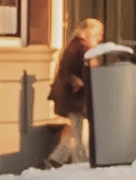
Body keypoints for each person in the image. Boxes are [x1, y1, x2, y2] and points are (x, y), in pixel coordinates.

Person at [37, 18, 101, 171]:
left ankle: (55, 160)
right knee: (82, 136)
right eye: (98, 34)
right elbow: (91, 74)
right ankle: (83, 166)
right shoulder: (84, 49)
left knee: (75, 131)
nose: (100, 38)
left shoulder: (72, 46)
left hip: (70, 99)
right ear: (89, 32)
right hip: (79, 101)